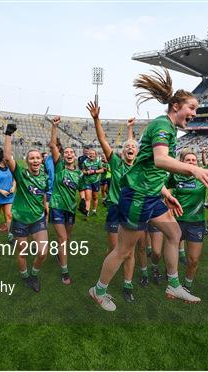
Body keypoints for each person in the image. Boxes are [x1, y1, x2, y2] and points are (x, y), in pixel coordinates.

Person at [89, 68, 208, 311]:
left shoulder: (169, 128)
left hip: (151, 195)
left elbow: (151, 168)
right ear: (175, 106)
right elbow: (160, 160)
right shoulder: (163, 125)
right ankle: (98, 291)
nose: (194, 113)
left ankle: (173, 284)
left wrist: (166, 193)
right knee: (123, 250)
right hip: (138, 197)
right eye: (191, 108)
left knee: (174, 234)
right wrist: (194, 170)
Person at [87, 102, 143, 302]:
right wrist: (96, 119)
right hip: (115, 209)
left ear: (137, 152)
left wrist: (130, 129)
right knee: (114, 249)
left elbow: (132, 144)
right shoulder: (116, 162)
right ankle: (104, 283)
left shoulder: (140, 167)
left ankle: (127, 285)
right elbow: (102, 139)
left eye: (133, 147)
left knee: (129, 251)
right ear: (122, 152)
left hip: (133, 211)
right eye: (127, 147)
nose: (130, 148)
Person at [171, 128, 208, 295]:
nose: (191, 162)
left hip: (196, 223)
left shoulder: (202, 176)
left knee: (193, 260)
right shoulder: (175, 176)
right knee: (171, 256)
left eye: (194, 160)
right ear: (182, 162)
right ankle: (173, 281)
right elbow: (159, 186)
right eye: (188, 160)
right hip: (177, 222)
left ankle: (187, 285)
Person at [4, 123, 49, 292]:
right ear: (27, 160)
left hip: (38, 219)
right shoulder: (21, 174)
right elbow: (8, 158)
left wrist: (46, 209)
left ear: (41, 160)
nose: (35, 161)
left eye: (38, 158)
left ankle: (34, 273)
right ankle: (25, 276)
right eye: (32, 158)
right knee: (22, 253)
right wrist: (8, 134)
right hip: (20, 220)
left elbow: (44, 195)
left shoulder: (45, 177)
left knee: (43, 252)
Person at [48, 116, 81, 285]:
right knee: (62, 239)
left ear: (75, 156)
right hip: (56, 206)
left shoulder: (78, 173)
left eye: (71, 153)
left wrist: (85, 201)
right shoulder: (59, 165)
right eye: (66, 152)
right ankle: (65, 271)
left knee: (66, 239)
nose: (68, 154)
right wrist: (55, 127)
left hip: (71, 208)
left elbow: (82, 189)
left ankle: (58, 253)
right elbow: (53, 145)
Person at [81, 148, 104, 216]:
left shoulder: (98, 161)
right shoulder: (85, 162)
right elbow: (83, 170)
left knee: (95, 197)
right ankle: (86, 212)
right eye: (90, 154)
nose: (92, 155)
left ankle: (94, 210)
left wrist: (94, 171)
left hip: (96, 181)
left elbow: (102, 170)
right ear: (88, 154)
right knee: (88, 198)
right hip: (87, 181)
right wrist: (86, 172)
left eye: (93, 154)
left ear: (95, 155)